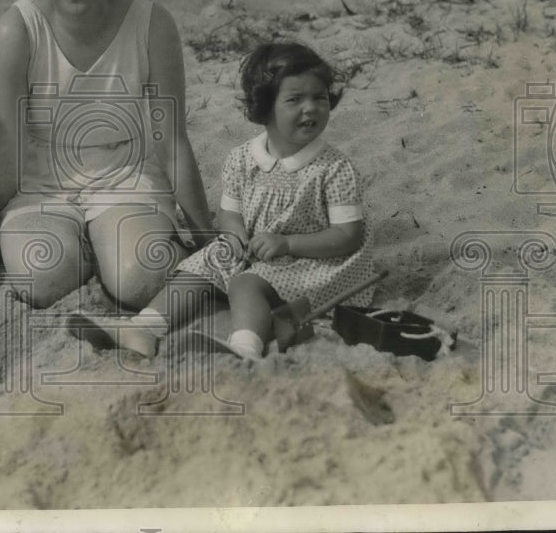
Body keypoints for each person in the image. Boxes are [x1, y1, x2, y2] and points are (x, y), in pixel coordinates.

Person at [0, 0, 214, 310]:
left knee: (141, 280)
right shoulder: (16, 30)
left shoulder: (151, 22)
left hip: (126, 175)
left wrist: (207, 240)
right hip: (41, 184)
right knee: (44, 277)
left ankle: (111, 248)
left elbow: (172, 140)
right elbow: (5, 146)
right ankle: (86, 248)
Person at [70, 41, 374, 359]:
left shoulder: (334, 168)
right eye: (295, 99)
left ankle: (245, 347)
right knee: (199, 265)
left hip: (316, 261)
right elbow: (231, 213)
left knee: (246, 283)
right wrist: (233, 234)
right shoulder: (242, 159)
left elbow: (347, 236)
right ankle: (146, 327)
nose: (310, 108)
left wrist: (288, 244)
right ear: (265, 108)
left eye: (319, 97)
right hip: (261, 251)